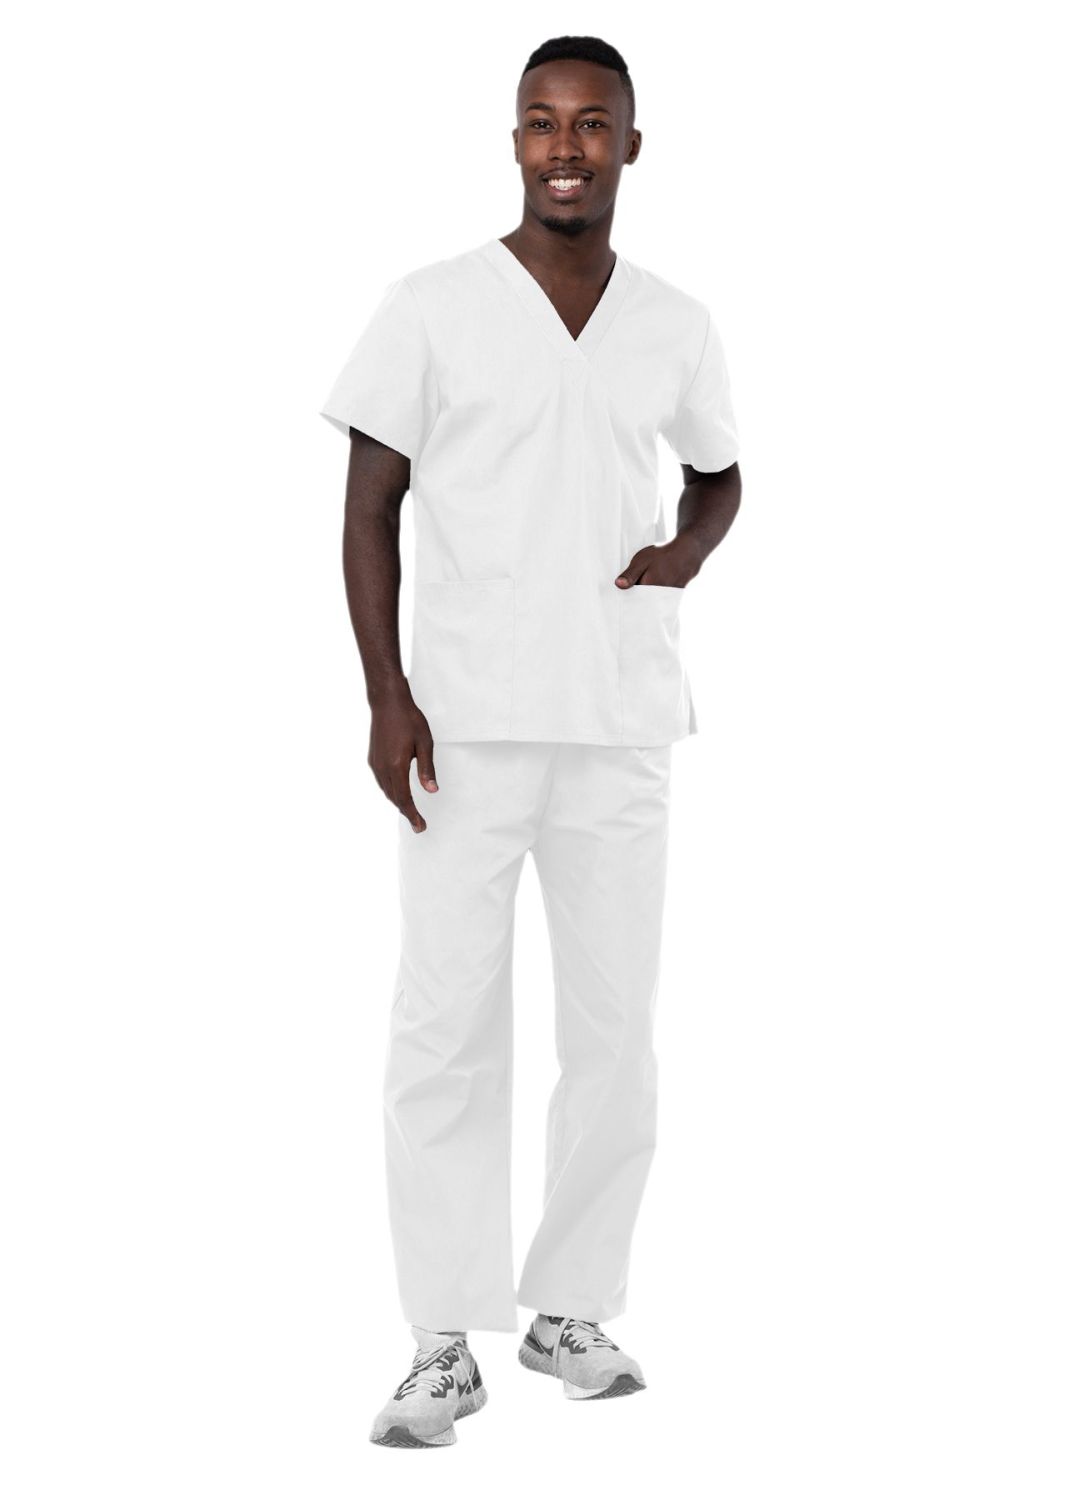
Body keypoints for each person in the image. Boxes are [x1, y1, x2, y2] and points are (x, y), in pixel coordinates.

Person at [319, 35, 742, 1449]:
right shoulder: (433, 306)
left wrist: (686, 551)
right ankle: (443, 1341)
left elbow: (722, 472)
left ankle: (571, 1307)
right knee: (445, 1025)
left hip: (620, 721)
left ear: (631, 145)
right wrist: (385, 693)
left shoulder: (675, 322)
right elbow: (368, 506)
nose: (567, 146)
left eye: (593, 123)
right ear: (515, 143)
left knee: (616, 1035)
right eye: (543, 123)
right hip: (463, 726)